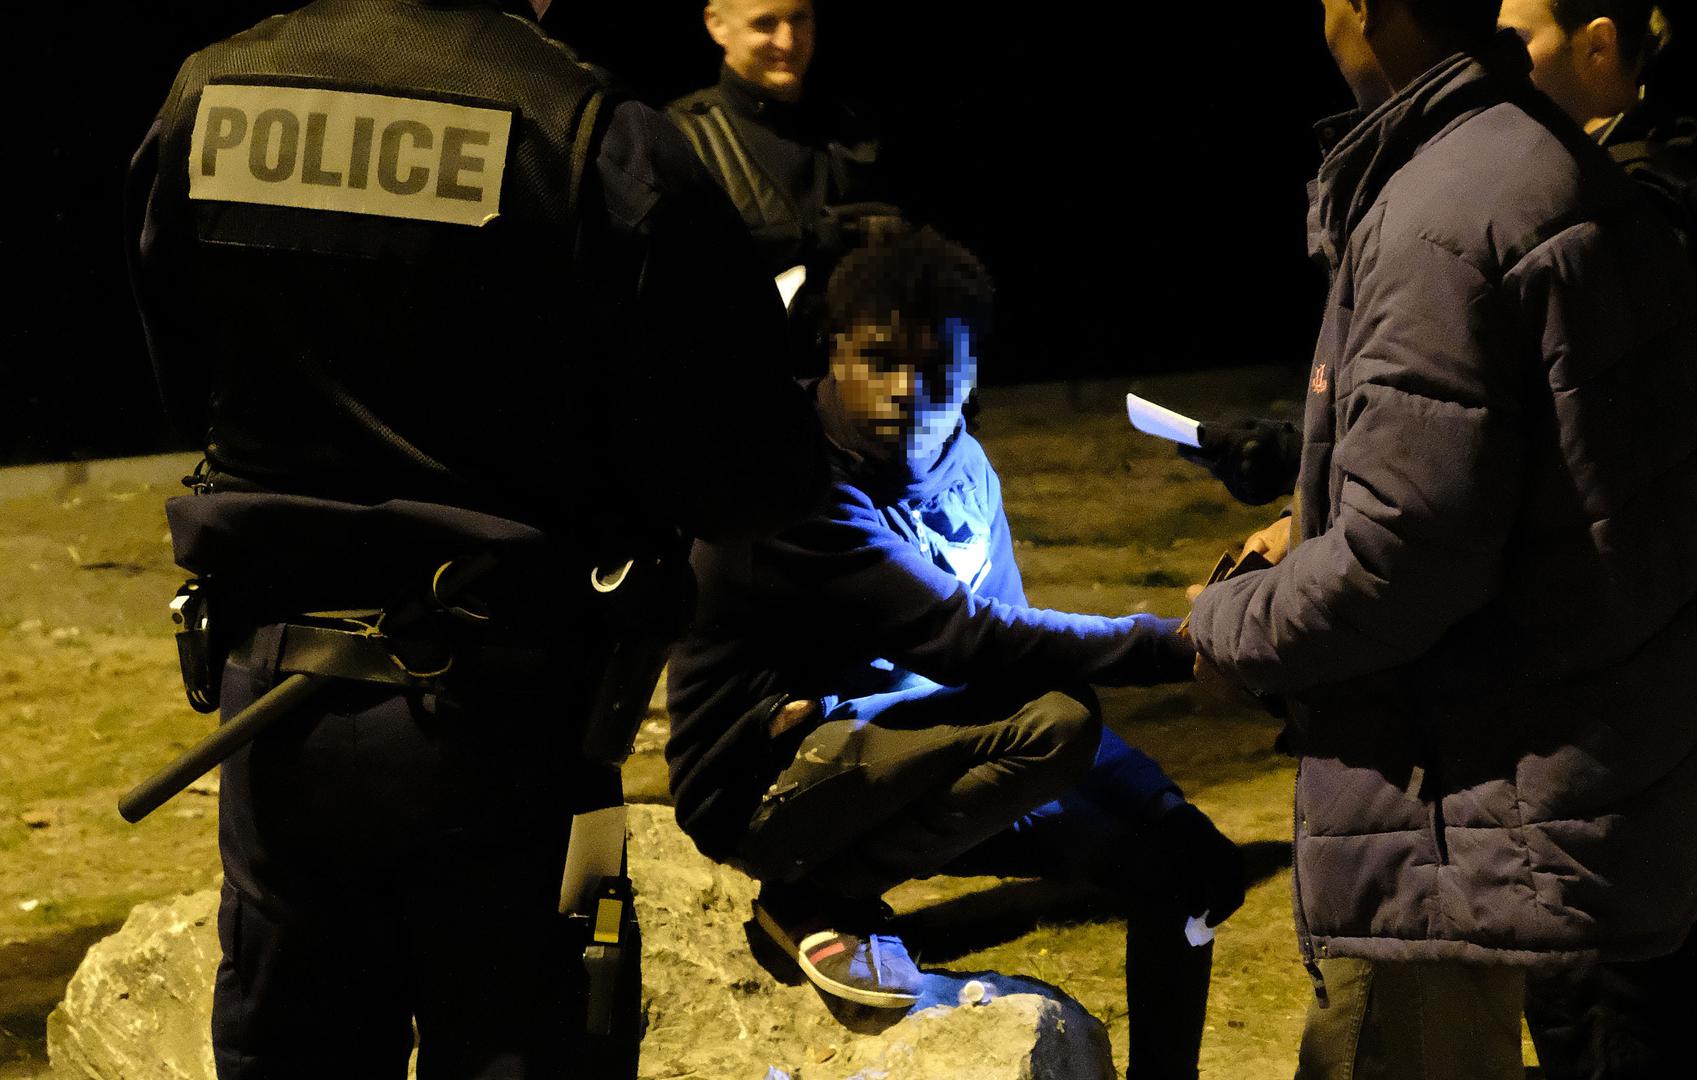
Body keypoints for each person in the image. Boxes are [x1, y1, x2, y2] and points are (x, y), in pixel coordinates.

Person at [125, 1, 827, 1076]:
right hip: (510, 714)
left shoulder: (211, 96)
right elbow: (747, 477)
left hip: (271, 704)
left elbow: (190, 389)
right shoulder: (587, 128)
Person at [1184, 2, 1697, 1078]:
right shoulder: (1538, 164)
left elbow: (1398, 564)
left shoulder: (1442, 211)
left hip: (1446, 811)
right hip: (1543, 776)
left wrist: (1221, 623)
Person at [664, 221, 1246, 1078]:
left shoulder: (964, 466)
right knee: (1055, 724)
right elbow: (969, 642)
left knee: (1179, 864)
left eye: (935, 367)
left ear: (975, 373)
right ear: (831, 355)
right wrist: (1173, 645)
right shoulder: (789, 484)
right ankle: (813, 897)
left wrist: (1159, 803)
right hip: (767, 786)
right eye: (876, 360)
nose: (905, 390)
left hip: (917, 765)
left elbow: (1015, 662)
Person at [1185, 1, 1693, 508]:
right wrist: (1300, 455)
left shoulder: (1637, 203)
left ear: (1598, 48)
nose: (1482, 57)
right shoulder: (1551, 185)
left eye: (1510, 38)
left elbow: (1554, 462)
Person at [668, 0, 893, 369]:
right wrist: (821, 236)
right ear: (716, 24)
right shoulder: (683, 138)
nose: (787, 42)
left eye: (799, 19)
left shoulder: (853, 126)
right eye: (764, 24)